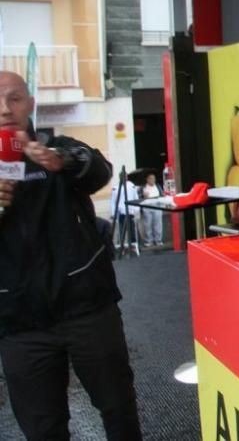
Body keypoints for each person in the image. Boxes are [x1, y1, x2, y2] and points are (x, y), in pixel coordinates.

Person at [0, 71, 142, 440]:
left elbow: (99, 168)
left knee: (119, 408)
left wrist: (60, 159)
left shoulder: (57, 147)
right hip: (19, 323)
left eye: (14, 98)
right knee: (43, 430)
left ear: (30, 103)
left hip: (87, 308)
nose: (4, 109)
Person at [139, 172, 164, 247]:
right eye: (151, 178)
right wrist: (143, 195)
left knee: (158, 224)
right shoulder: (143, 187)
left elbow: (162, 195)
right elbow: (138, 197)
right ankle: (149, 241)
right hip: (147, 207)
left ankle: (158, 240)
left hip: (157, 206)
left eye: (154, 178)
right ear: (147, 179)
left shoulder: (158, 186)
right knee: (147, 224)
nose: (153, 180)